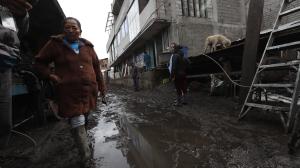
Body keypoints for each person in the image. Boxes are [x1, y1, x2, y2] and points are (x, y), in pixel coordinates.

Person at [35, 17, 106, 167]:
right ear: (63, 30)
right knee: (77, 120)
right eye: (67, 27)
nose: (71, 30)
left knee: (84, 118)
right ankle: (86, 158)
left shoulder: (88, 47)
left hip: (88, 92)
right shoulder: (55, 44)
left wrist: (102, 89)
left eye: (74, 27)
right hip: (68, 92)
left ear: (80, 31)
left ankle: (82, 139)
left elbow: (97, 70)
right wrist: (50, 75)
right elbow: (39, 62)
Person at [0, 0, 32, 147]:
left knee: (4, 121)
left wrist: (22, 15)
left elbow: (16, 32)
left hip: (4, 64)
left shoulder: (5, 11)